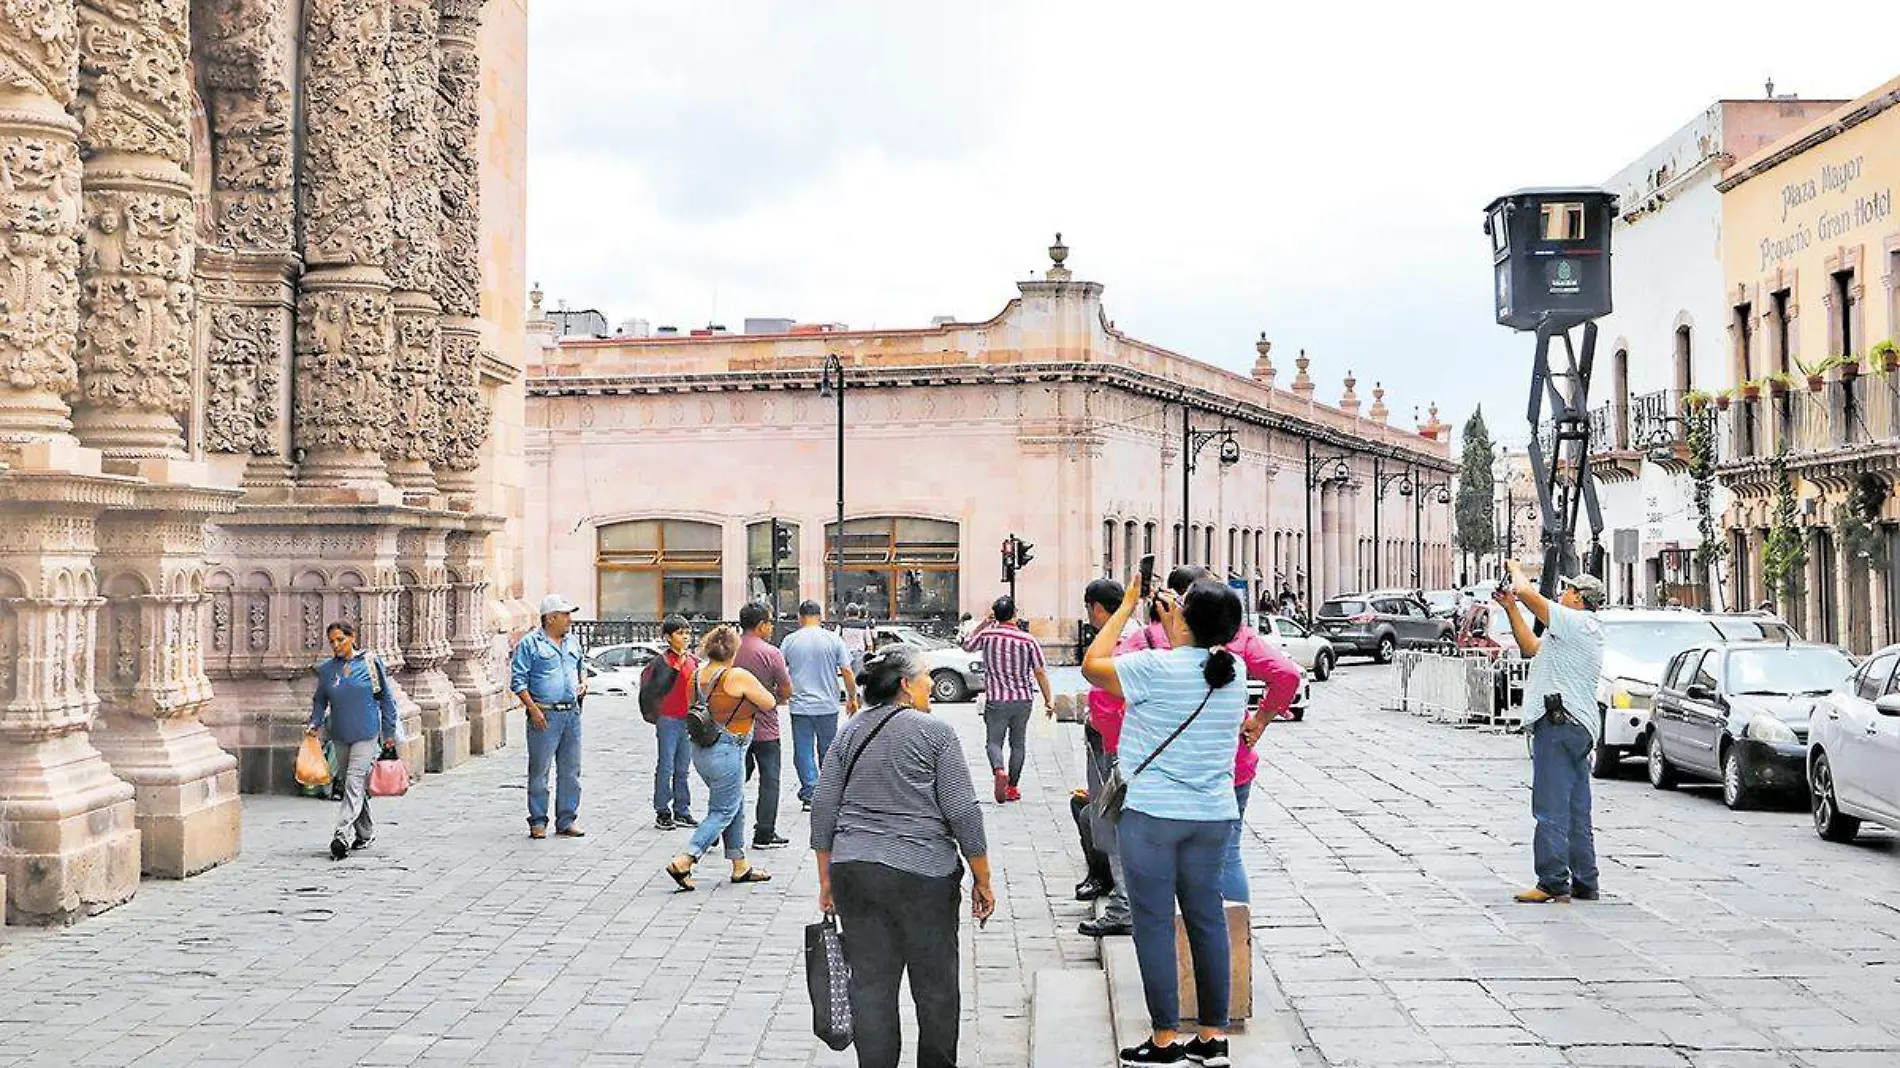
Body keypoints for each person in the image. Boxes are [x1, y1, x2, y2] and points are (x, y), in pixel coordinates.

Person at [1082, 577, 1247, 1067]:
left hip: (1153, 815)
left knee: (1153, 923)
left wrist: (1128, 607)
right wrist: (1183, 618)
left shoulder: (1154, 667)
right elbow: (1197, 651)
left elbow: (1092, 666)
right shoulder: (1232, 670)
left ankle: (1164, 1039)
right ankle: (1212, 1037)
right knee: (1206, 919)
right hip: (1213, 814)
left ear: (1183, 618)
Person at [811, 646, 995, 1068]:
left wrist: (826, 880)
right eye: (926, 676)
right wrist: (982, 878)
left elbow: (823, 806)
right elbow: (962, 809)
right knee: (936, 988)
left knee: (872, 985)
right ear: (906, 686)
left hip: (855, 871)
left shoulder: (850, 732)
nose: (931, 683)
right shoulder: (936, 733)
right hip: (924, 875)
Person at [1118, 564, 1298, 921]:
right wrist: (1260, 720)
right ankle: (1235, 940)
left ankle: (1175, 943)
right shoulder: (1239, 637)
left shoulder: (1147, 640)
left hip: (1160, 782)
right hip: (1228, 770)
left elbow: (1104, 687)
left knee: (1158, 870)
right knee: (1228, 855)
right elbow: (1288, 675)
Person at [1493, 562, 1606, 905]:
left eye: (1568, 590)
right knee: (1575, 807)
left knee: (1549, 806)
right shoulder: (1574, 632)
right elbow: (1529, 647)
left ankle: (1553, 881)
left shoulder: (1575, 622)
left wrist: (1515, 570)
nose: (1563, 593)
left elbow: (1528, 592)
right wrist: (1511, 608)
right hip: (1578, 727)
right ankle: (1585, 880)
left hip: (1558, 725)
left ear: (1579, 599)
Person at [664, 625, 779, 890]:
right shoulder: (736, 675)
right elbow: (769, 702)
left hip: (702, 748)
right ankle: (686, 859)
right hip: (728, 748)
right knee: (723, 809)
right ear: (734, 650)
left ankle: (740, 864)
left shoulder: (696, 675)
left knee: (734, 803)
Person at [306, 621, 399, 861]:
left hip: (367, 733)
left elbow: (386, 699)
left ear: (352, 637)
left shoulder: (369, 663)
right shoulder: (328, 670)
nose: (336, 645)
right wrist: (315, 723)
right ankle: (365, 832)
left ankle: (341, 835)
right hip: (340, 733)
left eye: (340, 640)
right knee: (352, 784)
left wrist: (389, 733)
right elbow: (320, 700)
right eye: (332, 642)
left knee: (354, 783)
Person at [1077, 578, 1139, 937]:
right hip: (1111, 740)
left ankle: (1124, 906)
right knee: (1104, 820)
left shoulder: (1123, 641)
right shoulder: (1133, 636)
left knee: (1113, 824)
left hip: (1116, 746)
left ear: (1097, 609)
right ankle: (1122, 897)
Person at [510, 593, 587, 840]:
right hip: (544, 714)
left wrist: (583, 683)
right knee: (540, 770)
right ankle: (538, 820)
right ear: (551, 618)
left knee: (571, 771)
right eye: (565, 615)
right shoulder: (530, 644)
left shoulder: (572, 643)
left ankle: (567, 819)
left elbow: (580, 667)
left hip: (571, 714)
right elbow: (518, 681)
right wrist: (532, 709)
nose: (570, 620)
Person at [963, 596, 1054, 804]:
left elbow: (967, 645)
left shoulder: (987, 635)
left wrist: (985, 623)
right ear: (1015, 614)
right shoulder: (1028, 640)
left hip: (997, 700)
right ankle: (1012, 787)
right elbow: (1040, 671)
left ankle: (999, 770)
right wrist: (1049, 699)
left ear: (995, 614)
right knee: (1018, 744)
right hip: (1023, 700)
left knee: (994, 742)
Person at [781, 601, 859, 811]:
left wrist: (782, 694)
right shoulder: (833, 639)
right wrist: (852, 697)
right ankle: (828, 792)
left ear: (800, 617)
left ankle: (810, 793)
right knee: (828, 750)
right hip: (828, 705)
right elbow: (847, 671)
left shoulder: (790, 641)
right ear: (820, 616)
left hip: (800, 706)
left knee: (803, 751)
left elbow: (781, 672)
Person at [735, 601, 794, 849]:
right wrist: (774, 700)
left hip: (734, 725)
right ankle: (764, 832)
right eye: (769, 622)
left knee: (734, 779)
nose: (771, 627)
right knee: (769, 780)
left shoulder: (730, 648)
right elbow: (786, 689)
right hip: (765, 728)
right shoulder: (771, 653)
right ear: (761, 625)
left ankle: (721, 825)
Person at [650, 616, 699, 831]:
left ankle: (682, 809)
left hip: (687, 719)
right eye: (680, 633)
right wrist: (675, 669)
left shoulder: (693, 660)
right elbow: (655, 689)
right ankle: (662, 809)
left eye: (687, 632)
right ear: (668, 637)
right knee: (666, 766)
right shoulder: (662, 662)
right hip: (668, 719)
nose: (685, 636)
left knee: (683, 767)